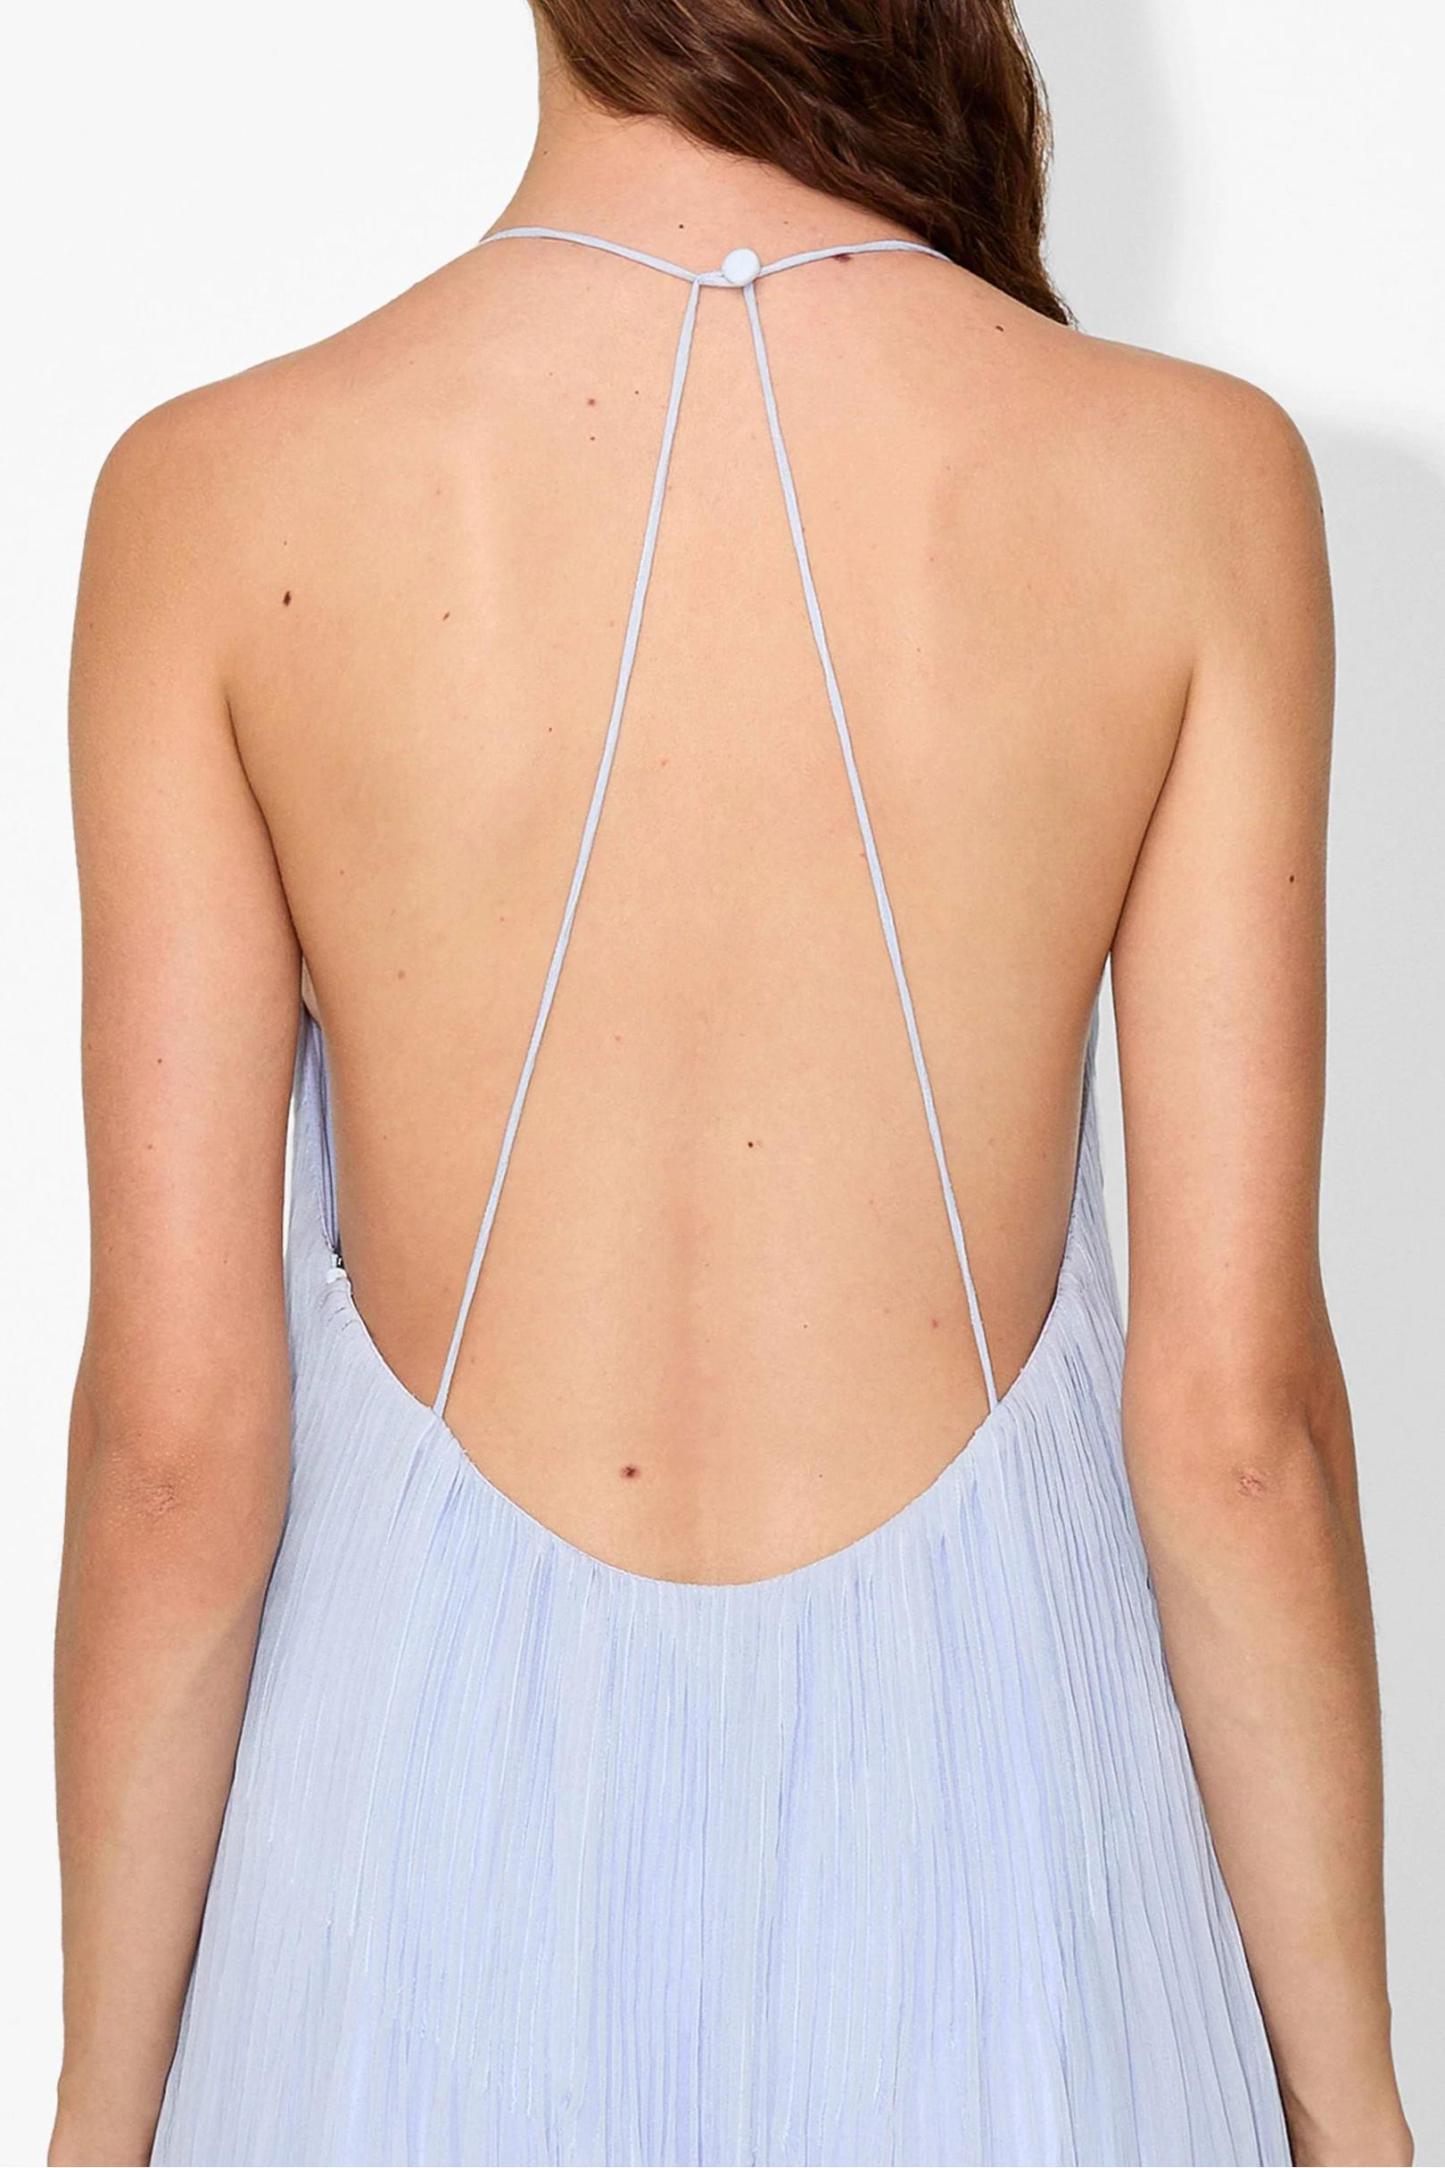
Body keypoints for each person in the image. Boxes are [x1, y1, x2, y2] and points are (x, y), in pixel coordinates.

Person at [50, 3, 1411, 2164]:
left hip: (410, 1913)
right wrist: (1353, 2111)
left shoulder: (218, 499)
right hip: (1004, 1901)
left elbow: (175, 1458)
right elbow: (1239, 1436)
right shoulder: (1186, 484)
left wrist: (101, 2112)